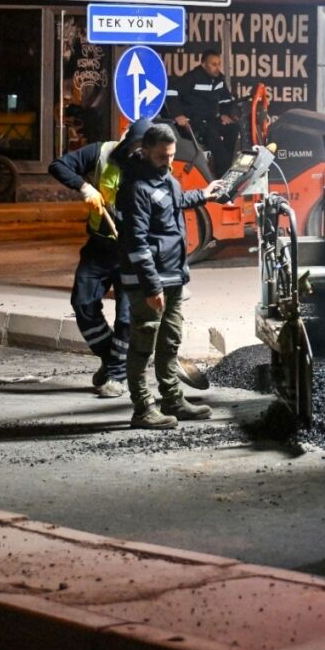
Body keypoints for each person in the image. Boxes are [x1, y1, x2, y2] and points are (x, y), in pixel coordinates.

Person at [118, 123, 226, 429]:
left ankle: (172, 400)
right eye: (163, 156)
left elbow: (174, 202)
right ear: (146, 150)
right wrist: (152, 287)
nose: (169, 161)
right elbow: (137, 244)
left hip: (174, 276)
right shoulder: (135, 188)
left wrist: (204, 195)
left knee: (170, 341)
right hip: (148, 283)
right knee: (143, 344)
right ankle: (142, 409)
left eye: (172, 155)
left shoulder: (165, 178)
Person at [48, 117, 149, 398]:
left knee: (127, 319)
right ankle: (112, 359)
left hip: (131, 252)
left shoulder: (152, 166)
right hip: (99, 247)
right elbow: (58, 166)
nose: (136, 154)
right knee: (83, 304)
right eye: (134, 147)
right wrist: (85, 187)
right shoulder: (102, 152)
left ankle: (117, 375)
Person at [166, 50, 239, 174]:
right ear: (204, 65)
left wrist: (225, 114)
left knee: (233, 128)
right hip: (193, 122)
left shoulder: (219, 79)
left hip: (211, 120)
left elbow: (225, 99)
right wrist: (178, 115)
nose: (217, 67)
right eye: (213, 64)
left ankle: (226, 163)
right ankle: (222, 174)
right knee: (213, 137)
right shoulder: (192, 77)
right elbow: (172, 91)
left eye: (218, 64)